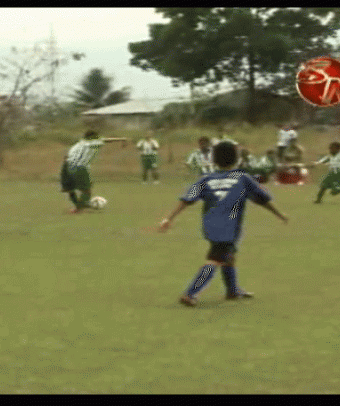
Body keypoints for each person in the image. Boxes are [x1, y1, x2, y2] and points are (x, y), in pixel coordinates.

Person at [159, 142, 288, 306]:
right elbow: (263, 199)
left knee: (228, 255)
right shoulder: (242, 178)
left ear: (214, 160)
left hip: (211, 225)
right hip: (229, 227)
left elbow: (187, 199)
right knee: (215, 259)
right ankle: (190, 293)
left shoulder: (206, 179)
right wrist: (279, 214)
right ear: (236, 159)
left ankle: (232, 290)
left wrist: (169, 218)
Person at [60, 130, 128, 213]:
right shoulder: (93, 142)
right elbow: (107, 140)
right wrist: (122, 139)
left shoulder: (80, 143)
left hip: (66, 165)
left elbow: (67, 156)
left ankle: (77, 206)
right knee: (86, 191)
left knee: (70, 189)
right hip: (79, 167)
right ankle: (80, 207)